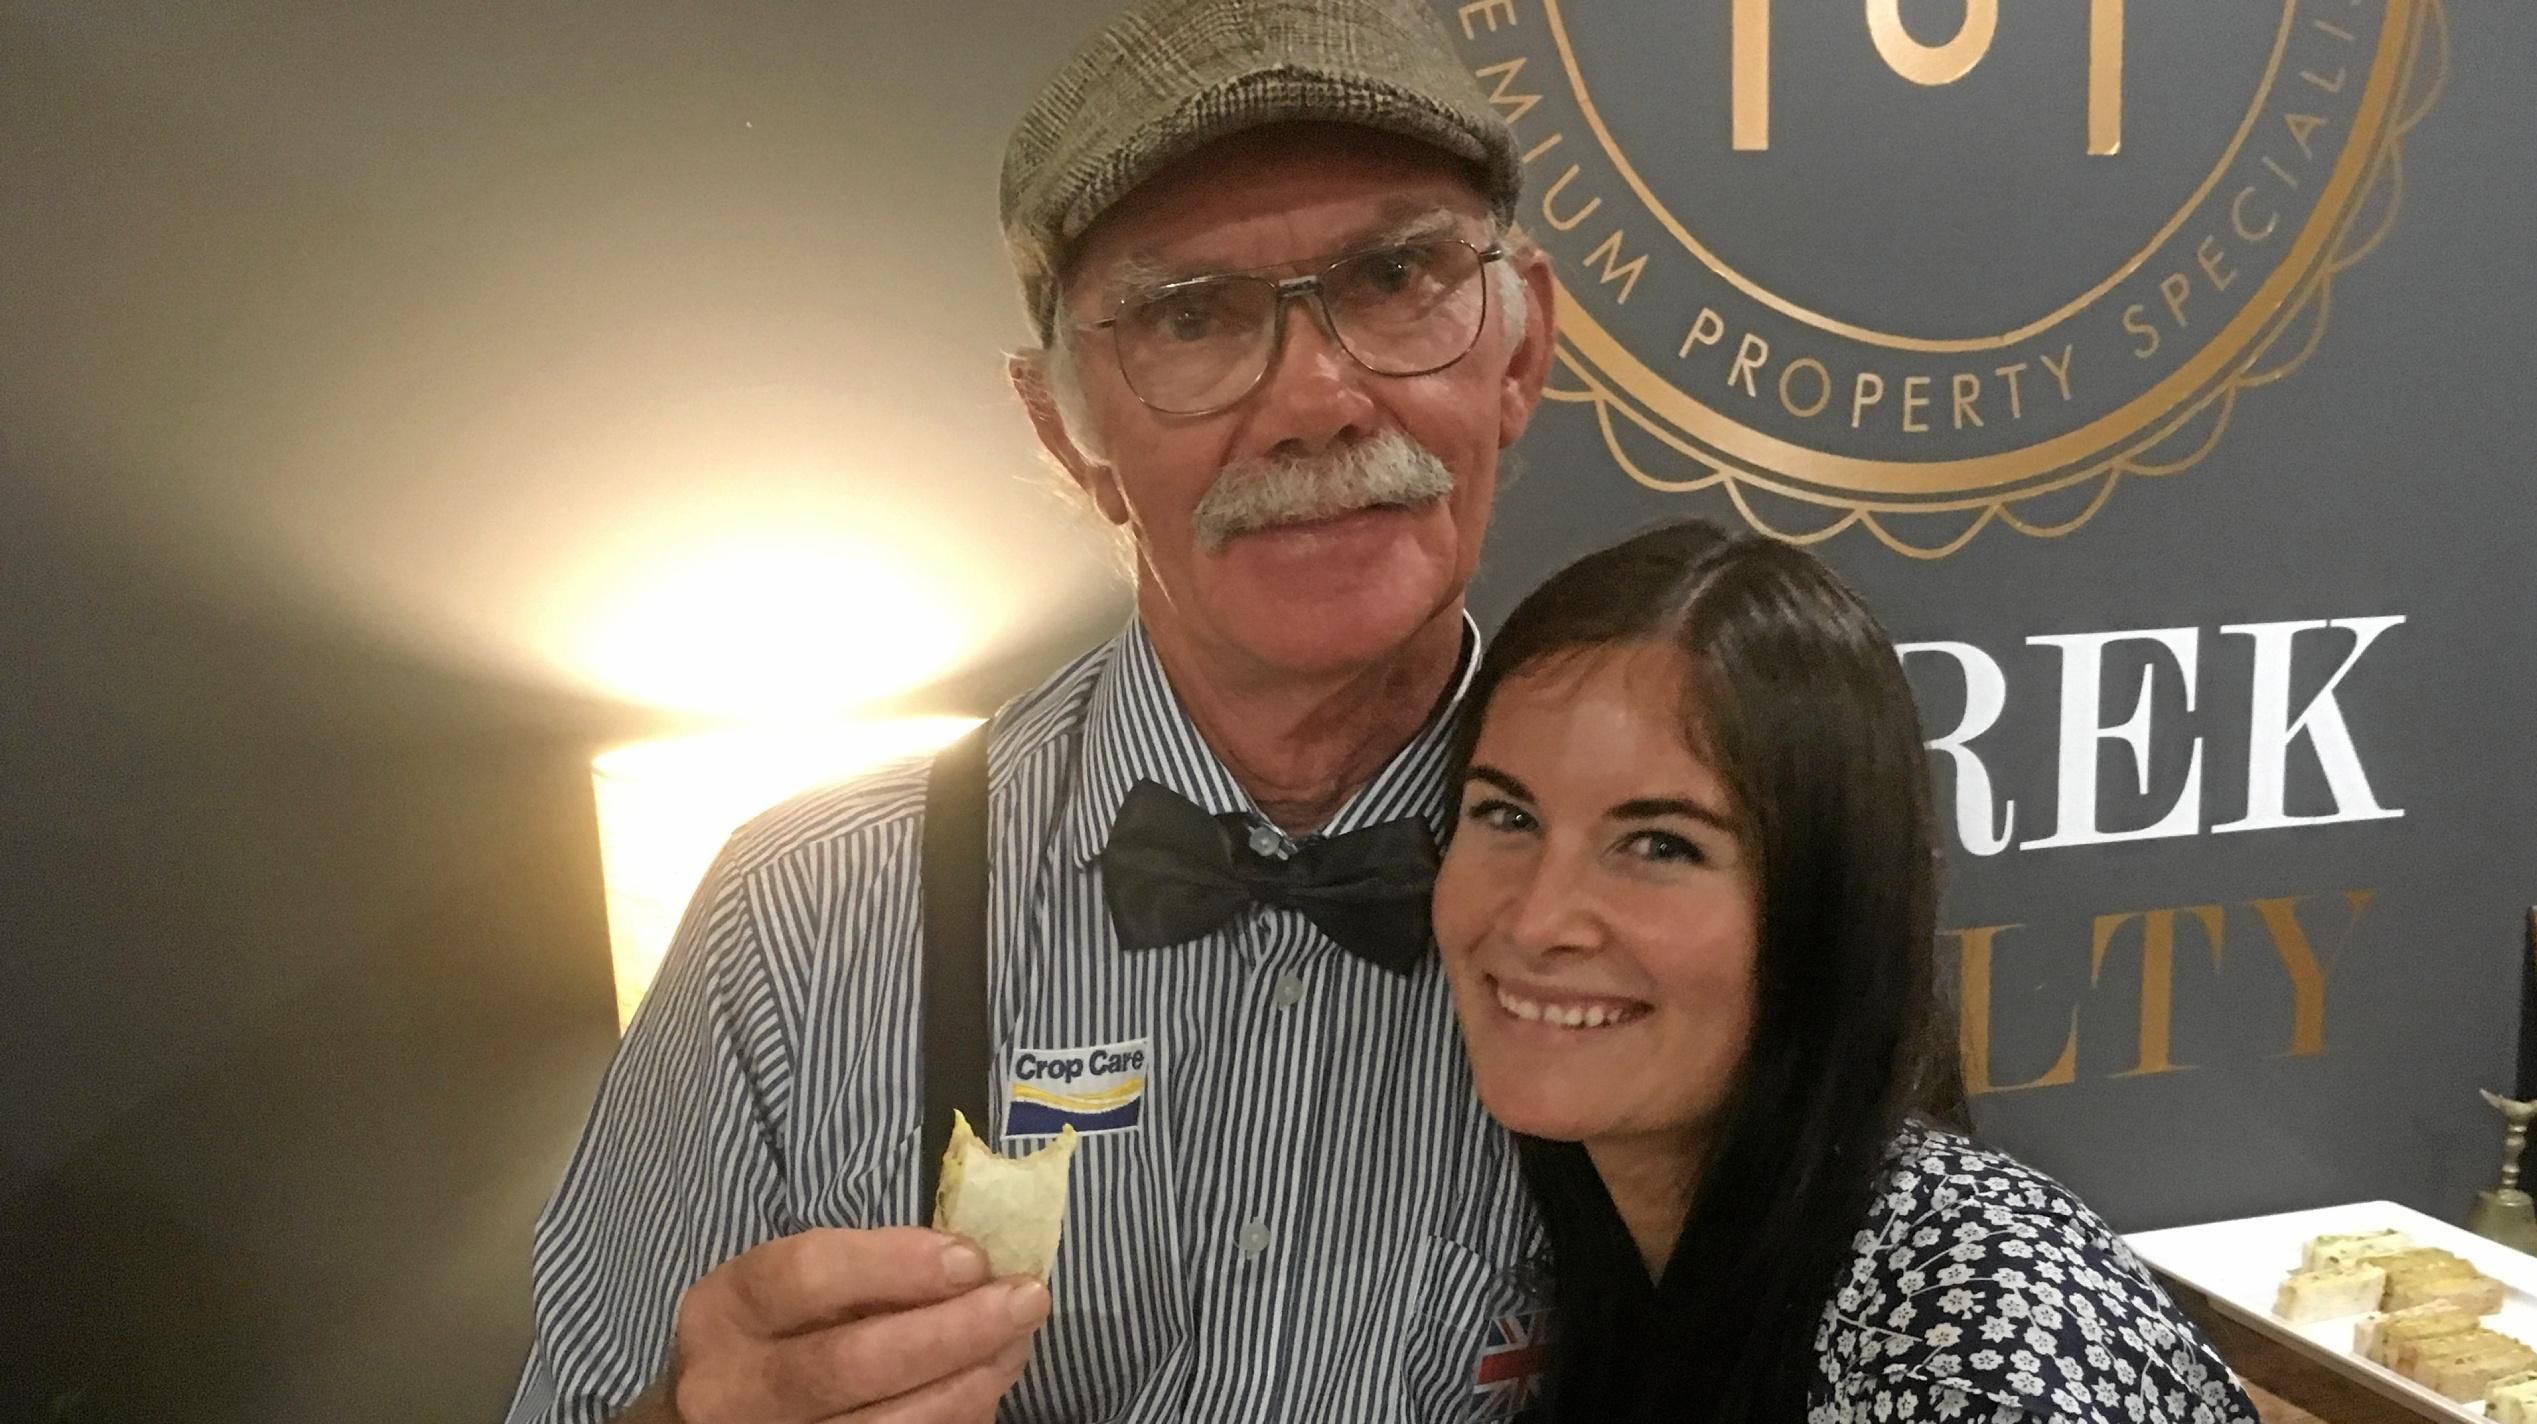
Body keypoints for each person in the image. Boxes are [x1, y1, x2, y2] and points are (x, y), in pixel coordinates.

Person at [503, 1, 1562, 1421]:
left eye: (1394, 277)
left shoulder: (1701, 914)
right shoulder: (804, 920)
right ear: (1064, 426)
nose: (1316, 396)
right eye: (1190, 314)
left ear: (1521, 349)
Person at [1430, 520, 2263, 1423]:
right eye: (1506, 817)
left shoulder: (1979, 1346)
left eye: (1659, 844)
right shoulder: (1602, 1244)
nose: (1539, 917)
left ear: (1828, 906)